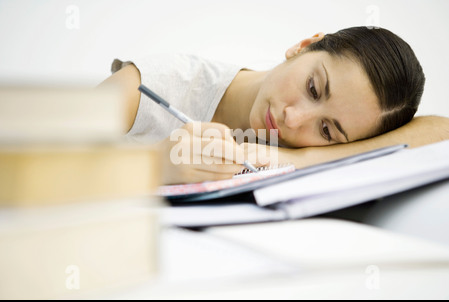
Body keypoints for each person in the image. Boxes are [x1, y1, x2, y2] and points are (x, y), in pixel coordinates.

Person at [98, 26, 449, 184]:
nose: (292, 120)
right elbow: (42, 158)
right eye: (313, 88)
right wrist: (154, 166)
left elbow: (441, 131)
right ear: (304, 45)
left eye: (326, 130)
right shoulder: (160, 81)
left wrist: (299, 158)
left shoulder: (292, 147)